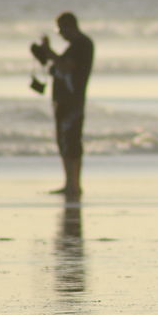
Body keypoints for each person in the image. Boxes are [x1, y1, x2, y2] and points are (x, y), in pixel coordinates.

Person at [31, 12, 94, 199]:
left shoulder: (82, 45)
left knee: (71, 140)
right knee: (65, 140)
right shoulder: (75, 46)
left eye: (60, 29)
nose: (59, 33)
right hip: (65, 100)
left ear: (69, 26)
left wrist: (48, 51)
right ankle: (70, 183)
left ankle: (74, 185)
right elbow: (61, 67)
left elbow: (67, 67)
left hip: (72, 100)